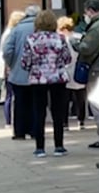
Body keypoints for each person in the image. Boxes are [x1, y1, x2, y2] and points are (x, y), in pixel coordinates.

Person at [20, 10, 71, 158]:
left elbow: (25, 62)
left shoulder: (31, 39)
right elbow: (67, 59)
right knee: (58, 112)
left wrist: (35, 67)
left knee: (39, 112)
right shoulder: (60, 38)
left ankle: (40, 147)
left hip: (38, 79)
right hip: (57, 78)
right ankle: (59, 146)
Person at [73, 0, 99, 150]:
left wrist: (75, 43)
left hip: (98, 69)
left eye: (86, 12)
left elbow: (86, 48)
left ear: (90, 10)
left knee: (97, 104)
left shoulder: (97, 27)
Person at [3, 5, 38, 141]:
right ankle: (35, 130)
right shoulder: (42, 29)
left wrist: (13, 64)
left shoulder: (16, 30)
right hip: (38, 74)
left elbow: (7, 51)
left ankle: (20, 132)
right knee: (36, 103)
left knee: (20, 103)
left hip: (18, 73)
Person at [0, 10, 26, 130]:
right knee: (11, 95)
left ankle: (9, 121)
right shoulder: (12, 33)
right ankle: (10, 121)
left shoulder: (9, 32)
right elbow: (7, 52)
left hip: (8, 67)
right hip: (10, 68)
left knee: (9, 95)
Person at [57, 17, 87, 131]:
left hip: (65, 70)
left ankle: (65, 122)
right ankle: (81, 120)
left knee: (64, 98)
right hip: (79, 69)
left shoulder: (60, 39)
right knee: (80, 97)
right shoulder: (79, 37)